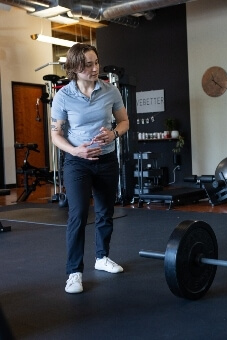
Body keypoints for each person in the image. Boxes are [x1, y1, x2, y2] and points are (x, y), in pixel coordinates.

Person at [51, 43, 129, 294]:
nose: (95, 68)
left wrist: (114, 134)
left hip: (106, 160)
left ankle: (102, 257)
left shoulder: (111, 91)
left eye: (96, 62)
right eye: (88, 64)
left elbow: (124, 121)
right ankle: (74, 272)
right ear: (75, 67)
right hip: (77, 162)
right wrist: (75, 150)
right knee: (79, 214)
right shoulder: (63, 95)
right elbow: (56, 135)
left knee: (106, 212)